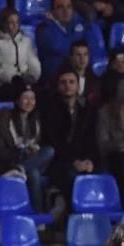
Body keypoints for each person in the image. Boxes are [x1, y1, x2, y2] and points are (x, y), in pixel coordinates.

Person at [0, 77, 55, 211]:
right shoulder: (4, 119)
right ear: (17, 100)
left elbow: (37, 144)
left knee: (49, 151)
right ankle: (37, 214)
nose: (29, 102)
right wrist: (21, 151)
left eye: (32, 98)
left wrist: (31, 150)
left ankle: (19, 169)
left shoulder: (35, 119)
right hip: (7, 162)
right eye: (25, 98)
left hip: (26, 161)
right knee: (34, 173)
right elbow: (0, 151)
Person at [41, 68, 99, 204]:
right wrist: (74, 161)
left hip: (82, 159)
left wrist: (89, 161)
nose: (68, 86)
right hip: (59, 161)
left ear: (78, 86)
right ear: (58, 86)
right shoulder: (49, 110)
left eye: (71, 82)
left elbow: (91, 138)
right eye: (63, 82)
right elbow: (53, 141)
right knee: (70, 177)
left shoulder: (87, 110)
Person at [0, 8, 42, 98]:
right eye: (11, 22)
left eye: (17, 22)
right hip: (4, 84)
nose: (15, 25)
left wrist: (33, 75)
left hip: (25, 81)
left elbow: (33, 61)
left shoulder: (26, 41)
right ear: (3, 23)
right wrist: (13, 78)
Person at [35, 0, 93, 78]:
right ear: (52, 11)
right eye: (60, 7)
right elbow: (58, 46)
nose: (66, 11)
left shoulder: (80, 23)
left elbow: (91, 45)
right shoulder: (44, 28)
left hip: (80, 71)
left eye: (69, 7)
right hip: (56, 76)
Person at [62, 40, 103, 108]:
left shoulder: (95, 80)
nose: (82, 58)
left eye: (85, 54)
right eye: (78, 55)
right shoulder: (62, 77)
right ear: (71, 57)